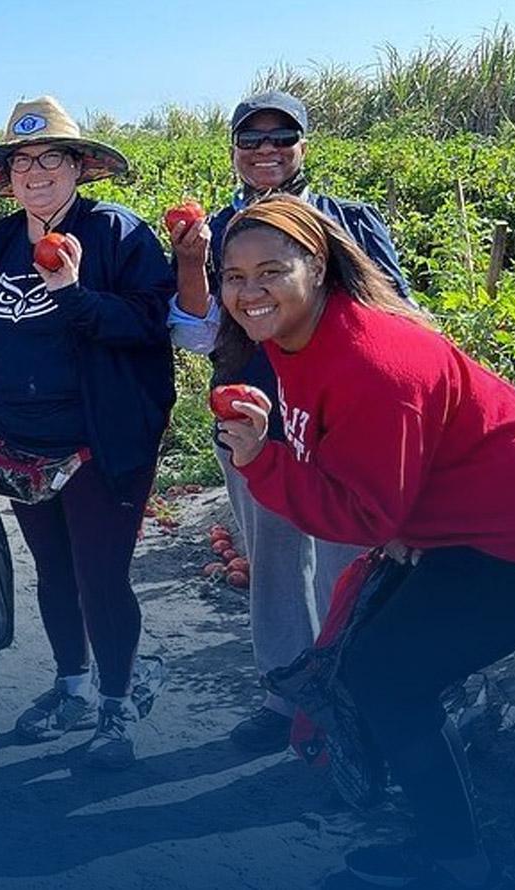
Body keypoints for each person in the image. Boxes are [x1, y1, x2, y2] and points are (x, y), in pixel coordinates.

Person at [217, 195, 515, 890]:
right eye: (233, 274)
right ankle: (447, 840)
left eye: (270, 271)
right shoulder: (295, 337)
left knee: (386, 675)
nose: (248, 292)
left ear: (317, 266)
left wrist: (262, 461)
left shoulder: (372, 361)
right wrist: (405, 526)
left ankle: (461, 862)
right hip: (473, 520)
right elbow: (370, 473)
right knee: (381, 670)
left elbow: (360, 515)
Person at [165, 90, 412, 753]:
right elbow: (196, 336)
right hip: (252, 421)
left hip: (342, 426)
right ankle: (285, 697)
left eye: (282, 138)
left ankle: (353, 701)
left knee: (346, 564)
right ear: (235, 152)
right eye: (252, 140)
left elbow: (399, 320)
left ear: (304, 146)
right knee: (273, 564)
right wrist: (192, 263)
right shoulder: (213, 233)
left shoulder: (348, 223)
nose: (267, 151)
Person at [0, 96, 175, 769]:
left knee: (101, 576)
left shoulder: (117, 236)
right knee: (52, 571)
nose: (37, 172)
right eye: (23, 161)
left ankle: (116, 701)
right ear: (7, 176)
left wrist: (74, 293)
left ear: (79, 167)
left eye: (53, 157)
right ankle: (71, 685)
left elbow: (148, 324)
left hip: (99, 442)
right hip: (19, 443)